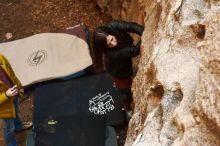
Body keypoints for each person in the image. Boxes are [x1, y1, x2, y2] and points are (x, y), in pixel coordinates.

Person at [93, 20, 144, 113]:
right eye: (108, 44)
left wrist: (143, 31)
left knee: (125, 88)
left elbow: (131, 26)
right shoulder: (113, 53)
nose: (113, 44)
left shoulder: (112, 25)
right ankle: (127, 109)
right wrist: (145, 35)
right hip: (119, 75)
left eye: (111, 39)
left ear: (110, 32)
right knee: (127, 92)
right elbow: (135, 51)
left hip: (121, 67)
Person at [0, 53, 32, 146]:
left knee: (16, 112)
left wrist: (19, 85)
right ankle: (11, 144)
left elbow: (11, 73)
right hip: (4, 108)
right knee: (8, 128)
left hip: (13, 96)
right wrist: (6, 95)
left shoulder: (1, 57)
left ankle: (19, 127)